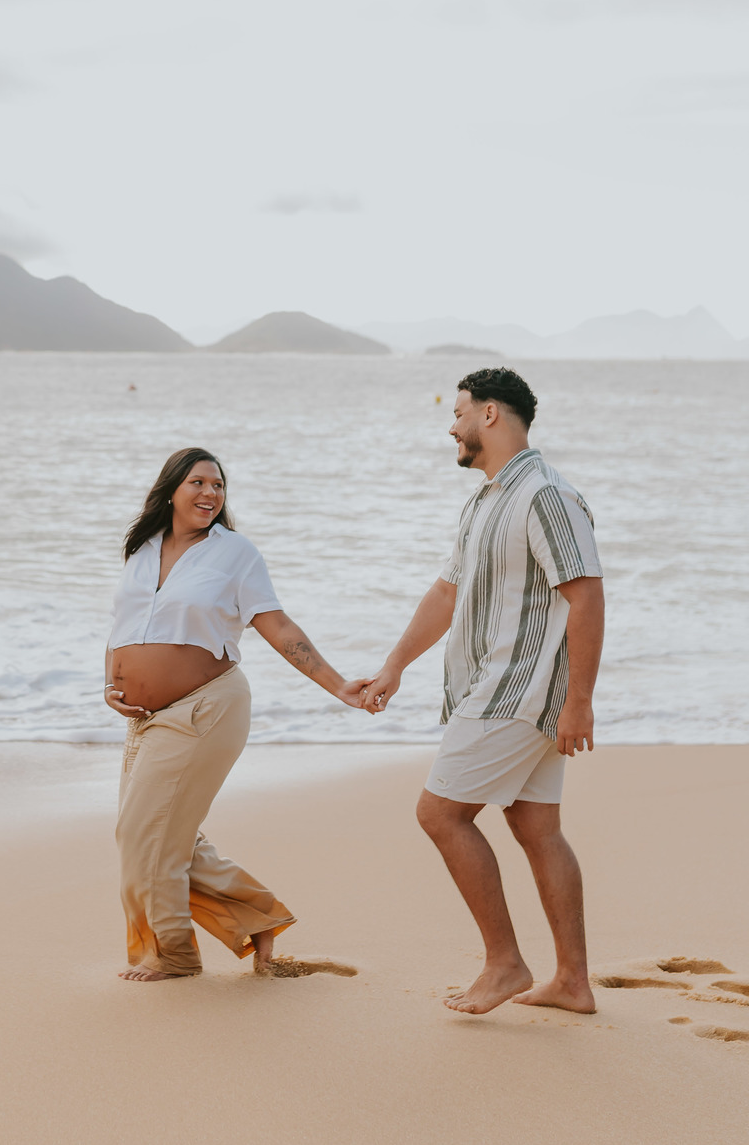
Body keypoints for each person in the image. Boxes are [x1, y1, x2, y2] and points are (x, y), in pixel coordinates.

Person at [359, 369, 604, 1017]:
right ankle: (573, 982)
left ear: (490, 414)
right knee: (536, 825)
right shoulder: (484, 501)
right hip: (502, 689)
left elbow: (585, 595)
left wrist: (578, 702)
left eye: (460, 411)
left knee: (439, 814)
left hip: (516, 693)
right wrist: (395, 666)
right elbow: (448, 593)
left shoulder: (546, 495)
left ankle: (504, 963)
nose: (452, 424)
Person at [107, 446, 379, 981]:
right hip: (146, 718)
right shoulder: (142, 550)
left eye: (218, 485)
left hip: (206, 709)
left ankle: (174, 955)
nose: (211, 493)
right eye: (199, 483)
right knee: (156, 834)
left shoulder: (235, 554)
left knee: (147, 834)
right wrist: (111, 681)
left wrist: (338, 685)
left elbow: (276, 625)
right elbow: (123, 623)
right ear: (170, 490)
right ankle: (257, 918)